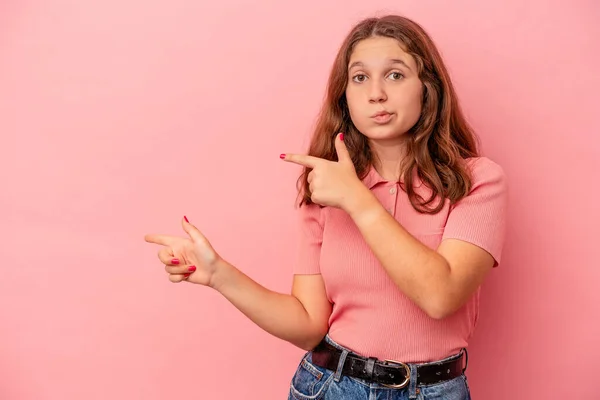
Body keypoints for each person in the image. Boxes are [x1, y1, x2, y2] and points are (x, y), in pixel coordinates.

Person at [144, 14, 507, 400]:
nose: (376, 94)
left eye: (396, 75)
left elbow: (441, 296)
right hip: (332, 387)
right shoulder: (325, 190)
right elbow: (308, 324)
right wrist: (219, 274)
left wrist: (357, 200)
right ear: (345, 96)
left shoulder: (476, 181)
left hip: (435, 390)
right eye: (360, 77)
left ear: (428, 88)